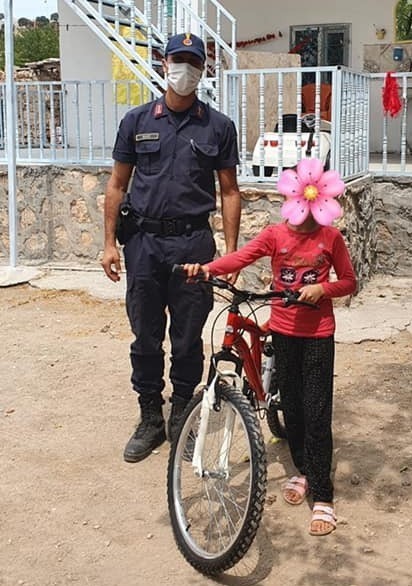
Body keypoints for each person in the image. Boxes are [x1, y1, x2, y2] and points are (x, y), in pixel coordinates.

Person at [182, 159, 357, 536]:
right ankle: (305, 471)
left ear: (322, 198)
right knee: (292, 408)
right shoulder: (275, 235)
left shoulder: (331, 238)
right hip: (282, 331)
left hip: (317, 336)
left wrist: (321, 289)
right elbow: (241, 258)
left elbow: (348, 281)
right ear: (291, 195)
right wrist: (207, 268)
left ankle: (323, 497)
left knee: (316, 411)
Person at [101, 32, 241, 463]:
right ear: (165, 65)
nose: (185, 70)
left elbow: (230, 192)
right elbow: (117, 184)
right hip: (143, 242)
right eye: (178, 61)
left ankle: (181, 411)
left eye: (192, 63)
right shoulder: (137, 121)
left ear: (202, 70)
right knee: (145, 334)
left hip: (193, 244)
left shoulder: (218, 126)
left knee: (186, 337)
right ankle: (150, 417)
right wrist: (109, 243)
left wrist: (231, 254)